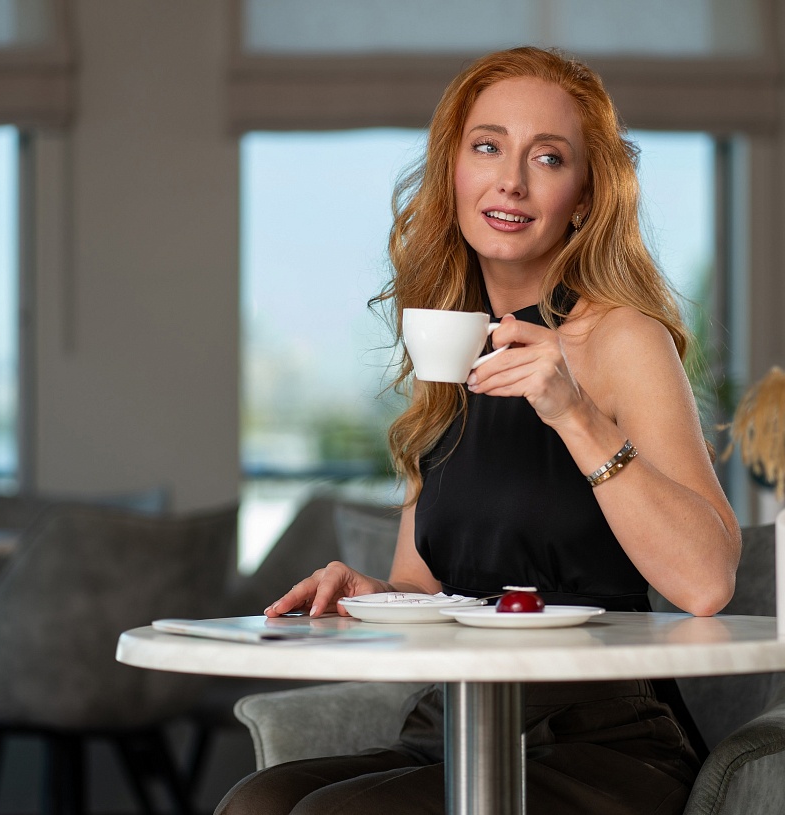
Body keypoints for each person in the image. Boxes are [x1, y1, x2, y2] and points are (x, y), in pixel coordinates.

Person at [216, 45, 741, 815]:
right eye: (487, 146)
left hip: (597, 736)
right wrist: (372, 593)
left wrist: (572, 411)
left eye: (548, 157)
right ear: (453, 172)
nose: (511, 180)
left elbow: (706, 581)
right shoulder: (449, 346)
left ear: (584, 197)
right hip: (457, 722)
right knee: (257, 801)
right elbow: (422, 583)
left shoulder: (622, 338)